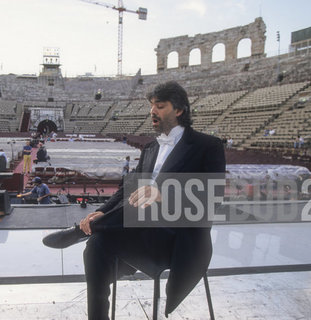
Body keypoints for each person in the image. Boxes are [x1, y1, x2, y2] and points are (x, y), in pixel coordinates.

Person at [42, 80, 226, 319]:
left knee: (142, 209)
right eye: (151, 106)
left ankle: (81, 230)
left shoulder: (207, 146)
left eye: (159, 106)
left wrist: (162, 195)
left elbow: (214, 199)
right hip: (145, 234)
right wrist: (102, 210)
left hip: (180, 239)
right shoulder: (150, 148)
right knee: (96, 246)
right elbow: (126, 190)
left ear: (179, 110)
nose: (152, 111)